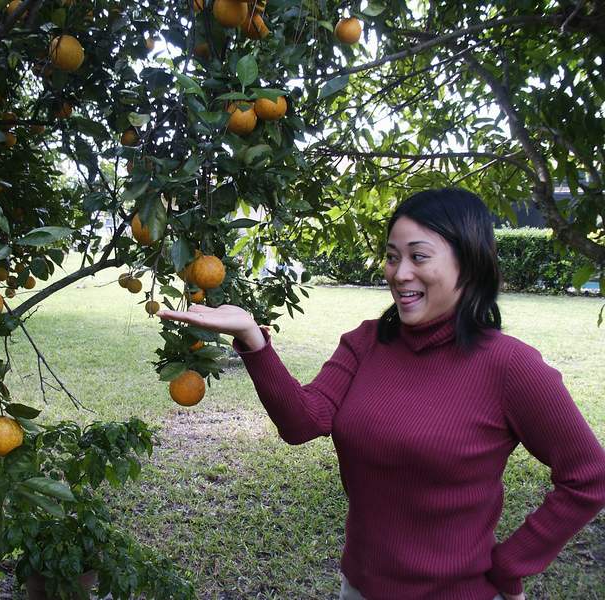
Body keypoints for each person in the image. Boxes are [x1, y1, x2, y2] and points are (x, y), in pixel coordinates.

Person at [157, 188, 605, 600]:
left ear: (468, 263)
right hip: (360, 586)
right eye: (392, 257)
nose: (400, 272)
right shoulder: (366, 342)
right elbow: (302, 422)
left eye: (418, 256)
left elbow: (589, 475)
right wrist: (253, 339)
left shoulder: (511, 366)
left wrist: (511, 563)